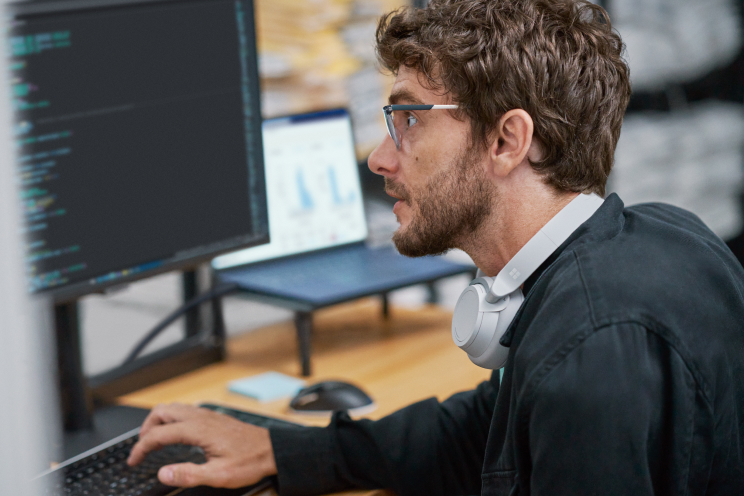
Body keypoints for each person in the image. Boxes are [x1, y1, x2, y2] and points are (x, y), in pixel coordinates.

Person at [127, 0, 744, 494]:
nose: (379, 156)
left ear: (507, 140)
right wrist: (285, 450)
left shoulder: (586, 352)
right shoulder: (668, 236)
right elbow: (483, 431)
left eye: (409, 119)